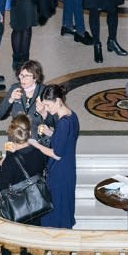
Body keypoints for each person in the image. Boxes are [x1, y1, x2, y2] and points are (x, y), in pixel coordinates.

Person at [0, 114, 51, 238]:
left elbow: (0, 187)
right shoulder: (40, 152)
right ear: (29, 133)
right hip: (37, 205)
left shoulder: (10, 161)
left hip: (19, 211)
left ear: (12, 136)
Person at [34, 83, 79, 230]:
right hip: (67, 169)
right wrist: (50, 133)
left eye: (47, 105)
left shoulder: (63, 123)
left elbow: (56, 154)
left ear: (58, 101)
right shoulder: (72, 116)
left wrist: (35, 144)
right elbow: (65, 140)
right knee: (64, 208)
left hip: (60, 172)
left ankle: (60, 248)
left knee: (57, 211)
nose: (46, 109)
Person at [0, 60, 44, 125]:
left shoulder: (43, 91)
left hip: (36, 133)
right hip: (17, 133)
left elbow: (54, 121)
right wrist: (10, 100)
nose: (22, 79)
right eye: (21, 75)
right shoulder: (15, 88)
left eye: (27, 76)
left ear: (35, 77)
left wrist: (44, 113)